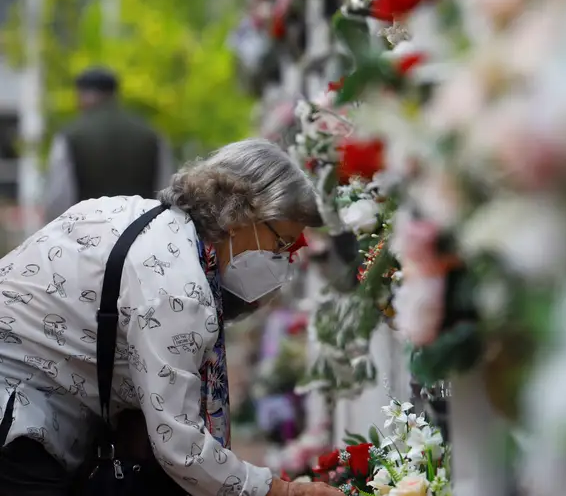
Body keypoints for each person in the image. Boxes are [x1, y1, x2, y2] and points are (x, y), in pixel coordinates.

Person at [0, 139, 342, 496]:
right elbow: (179, 445)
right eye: (281, 244)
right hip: (16, 419)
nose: (283, 260)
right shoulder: (177, 286)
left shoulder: (144, 218)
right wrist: (282, 491)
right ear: (243, 214)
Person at [43, 67, 175, 222]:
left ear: (83, 95)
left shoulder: (71, 136)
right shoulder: (151, 135)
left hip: (87, 234)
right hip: (141, 234)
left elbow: (58, 199)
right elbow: (165, 190)